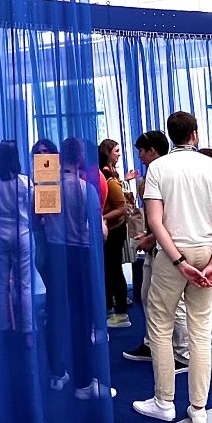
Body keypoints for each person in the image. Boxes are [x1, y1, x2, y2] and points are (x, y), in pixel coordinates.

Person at [132, 111, 212, 423]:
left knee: (160, 324)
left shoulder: (158, 168)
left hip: (173, 252)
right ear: (194, 134)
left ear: (170, 135)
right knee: (201, 331)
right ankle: (199, 407)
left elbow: (155, 221)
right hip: (207, 251)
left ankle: (164, 401)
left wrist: (178, 261)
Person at [41, 137, 106, 397]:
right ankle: (84, 382)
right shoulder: (85, 189)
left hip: (54, 253)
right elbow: (97, 231)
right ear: (80, 158)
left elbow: (37, 221)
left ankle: (56, 374)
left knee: (55, 313)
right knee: (81, 316)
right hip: (79, 254)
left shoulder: (48, 189)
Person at [122, 130, 189, 372]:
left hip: (170, 246)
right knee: (147, 295)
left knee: (174, 300)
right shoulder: (154, 173)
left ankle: (183, 352)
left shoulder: (167, 172)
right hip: (156, 245)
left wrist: (152, 237)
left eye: (142, 150)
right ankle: (152, 343)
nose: (139, 155)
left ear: (152, 151)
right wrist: (149, 234)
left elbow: (171, 214)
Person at [0, 140, 35, 337]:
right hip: (21, 233)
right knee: (24, 285)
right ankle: (27, 329)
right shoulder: (24, 182)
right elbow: (32, 208)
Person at [98, 139, 131, 328]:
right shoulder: (107, 174)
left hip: (113, 229)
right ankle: (114, 305)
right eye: (116, 151)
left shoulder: (108, 177)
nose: (119, 154)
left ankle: (120, 310)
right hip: (112, 228)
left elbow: (121, 207)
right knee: (111, 269)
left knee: (113, 269)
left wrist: (101, 218)